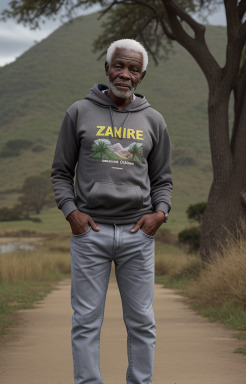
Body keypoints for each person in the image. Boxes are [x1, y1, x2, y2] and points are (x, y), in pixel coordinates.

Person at [51, 38, 172, 384]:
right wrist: (72, 214)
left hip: (138, 235)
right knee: (86, 320)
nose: (125, 74)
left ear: (141, 75)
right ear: (107, 69)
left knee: (142, 321)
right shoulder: (79, 112)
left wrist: (159, 214)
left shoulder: (154, 121)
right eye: (119, 66)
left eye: (133, 69)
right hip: (91, 233)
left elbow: (163, 180)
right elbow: (61, 172)